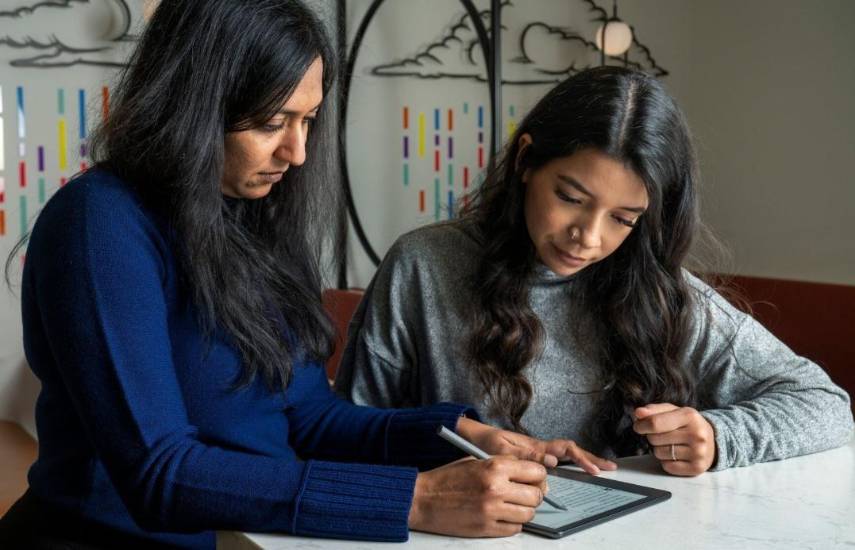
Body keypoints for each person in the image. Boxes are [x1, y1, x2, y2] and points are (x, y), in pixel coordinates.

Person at [0, 1, 608, 548]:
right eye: (272, 123)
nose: (297, 153)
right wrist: (416, 499)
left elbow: (310, 418)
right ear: (193, 106)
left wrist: (460, 435)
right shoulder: (100, 223)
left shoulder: (248, 215)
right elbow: (158, 472)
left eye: (308, 120)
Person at [335, 66, 854, 477]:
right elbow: (345, 431)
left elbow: (826, 405)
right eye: (570, 197)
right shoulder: (423, 265)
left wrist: (721, 438)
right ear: (525, 162)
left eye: (623, 219)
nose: (588, 236)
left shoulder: (661, 295)